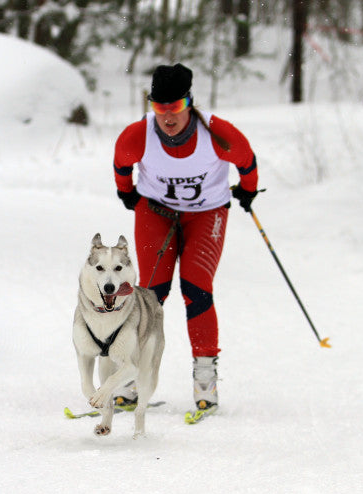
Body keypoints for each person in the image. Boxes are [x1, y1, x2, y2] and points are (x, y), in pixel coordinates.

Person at [111, 63, 260, 412]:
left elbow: (247, 161)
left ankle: (205, 380)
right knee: (150, 293)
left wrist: (248, 191)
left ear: (189, 103)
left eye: (175, 107)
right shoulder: (137, 135)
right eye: (158, 107)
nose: (167, 116)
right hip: (156, 213)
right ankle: (130, 377)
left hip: (207, 214)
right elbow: (121, 164)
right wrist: (127, 193)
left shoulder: (217, 133)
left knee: (196, 287)